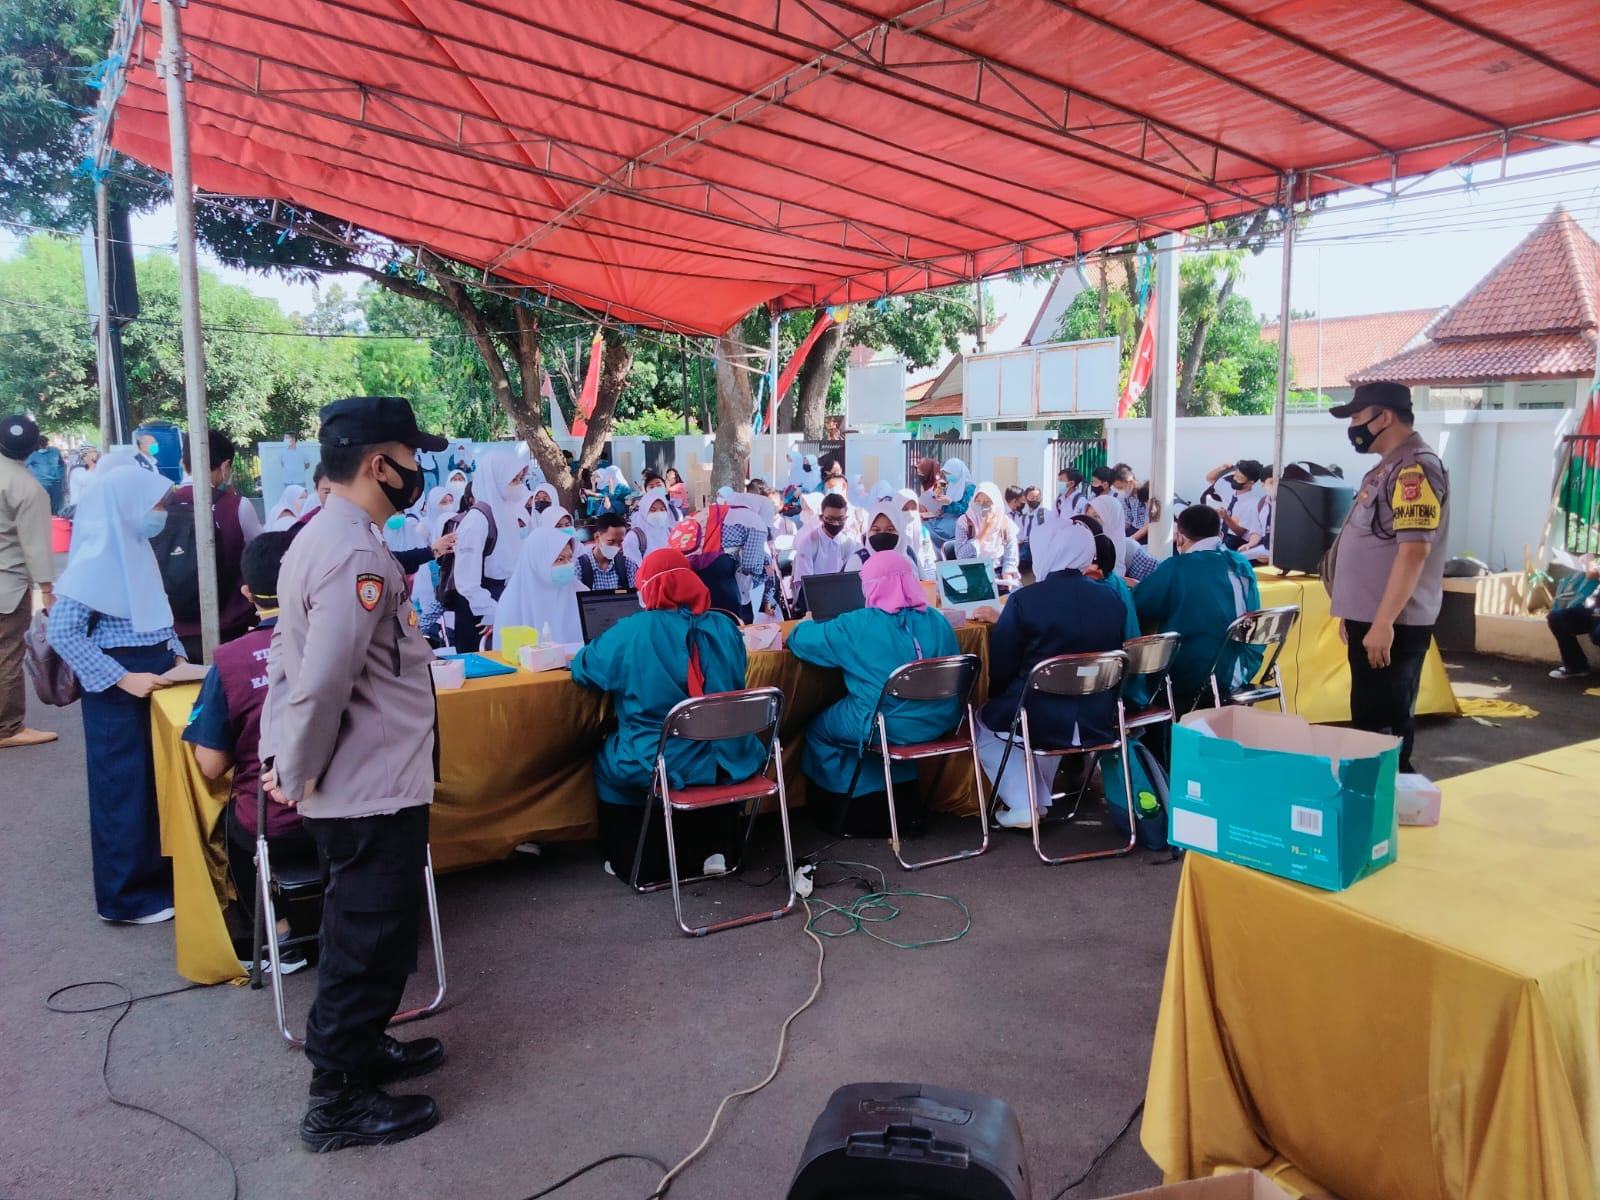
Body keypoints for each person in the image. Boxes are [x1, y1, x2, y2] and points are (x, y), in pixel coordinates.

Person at [258, 395, 447, 1153]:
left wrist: (283, 755)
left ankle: (363, 1049)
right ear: (378, 464)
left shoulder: (328, 535)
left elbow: (287, 658)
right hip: (367, 785)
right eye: (411, 458)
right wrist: (293, 767)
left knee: (379, 932)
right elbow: (323, 678)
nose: (418, 470)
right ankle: (335, 1100)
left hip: (372, 777)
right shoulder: (355, 553)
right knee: (364, 941)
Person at [570, 548, 763, 881]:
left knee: (610, 761)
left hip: (664, 761)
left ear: (648, 587)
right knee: (704, 760)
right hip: (733, 755)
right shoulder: (726, 625)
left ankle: (637, 858)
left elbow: (584, 669)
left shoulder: (632, 631)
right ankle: (715, 846)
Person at [47, 463, 185, 921]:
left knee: (150, 786)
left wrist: (177, 657)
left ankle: (155, 884)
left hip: (153, 677)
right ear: (126, 506)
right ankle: (124, 898)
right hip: (117, 688)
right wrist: (122, 678)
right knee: (121, 789)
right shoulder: (95, 561)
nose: (160, 511)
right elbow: (63, 632)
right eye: (154, 503)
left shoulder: (135, 550)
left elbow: (158, 616)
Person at [181, 531, 312, 973]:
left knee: (235, 824)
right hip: (350, 810)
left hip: (276, 820)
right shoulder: (340, 643)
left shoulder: (231, 661)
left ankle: (281, 937)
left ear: (247, 594)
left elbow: (211, 764)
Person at [974, 520, 1136, 828]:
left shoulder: (1025, 600)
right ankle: (1038, 801)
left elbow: (1003, 664)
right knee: (1030, 719)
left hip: (1039, 714)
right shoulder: (1111, 599)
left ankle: (1025, 803)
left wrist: (998, 697)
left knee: (985, 723)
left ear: (1043, 551)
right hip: (1097, 715)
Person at [788, 548, 960, 832]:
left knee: (819, 729)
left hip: (886, 724)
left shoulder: (856, 624)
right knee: (873, 722)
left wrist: (806, 622)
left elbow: (800, 641)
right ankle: (900, 800)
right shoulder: (937, 619)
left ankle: (844, 806)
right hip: (941, 720)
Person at [1328, 381, 1450, 773]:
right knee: (1369, 725)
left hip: (1393, 623)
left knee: (1384, 734)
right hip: (1373, 619)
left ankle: (1392, 800)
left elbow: (1414, 551)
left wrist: (1381, 623)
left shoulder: (1415, 469)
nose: (1353, 427)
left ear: (1384, 417)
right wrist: (1355, 613)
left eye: (1357, 417)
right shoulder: (1389, 468)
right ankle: (1374, 801)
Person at [1133, 505, 1262, 708]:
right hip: (1245, 667)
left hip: (1198, 674)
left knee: (1139, 672)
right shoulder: (1241, 563)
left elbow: (1137, 605)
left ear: (1180, 537)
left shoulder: (1178, 567)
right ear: (1219, 534)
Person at [166, 429, 261, 658]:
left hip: (173, 630)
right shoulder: (237, 506)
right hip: (229, 626)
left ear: (184, 463)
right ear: (225, 466)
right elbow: (259, 553)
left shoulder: (163, 506)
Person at [1, 414, 58, 749]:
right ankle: (7, 728)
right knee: (7, 655)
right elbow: (35, 545)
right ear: (34, 448)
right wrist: (47, 590)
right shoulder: (27, 487)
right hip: (7, 585)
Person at [443, 450, 525, 651]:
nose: (519, 485)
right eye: (513, 480)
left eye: (520, 479)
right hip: (479, 610)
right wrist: (490, 611)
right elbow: (466, 581)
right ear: (496, 480)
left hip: (501, 600)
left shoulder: (506, 511)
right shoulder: (477, 521)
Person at [493, 527, 585, 648]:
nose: (568, 565)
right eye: (560, 559)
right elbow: (505, 653)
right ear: (537, 562)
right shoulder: (512, 604)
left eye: (570, 558)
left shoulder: (578, 591)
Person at [792, 492, 860, 604]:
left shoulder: (848, 544)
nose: (835, 524)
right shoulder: (808, 543)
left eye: (840, 519)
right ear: (821, 518)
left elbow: (851, 579)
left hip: (839, 596)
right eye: (830, 519)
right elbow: (805, 585)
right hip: (812, 597)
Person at [952, 482, 1021, 586]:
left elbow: (1010, 557)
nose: (982, 506)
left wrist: (1007, 580)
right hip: (973, 576)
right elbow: (961, 558)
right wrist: (985, 530)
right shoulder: (965, 522)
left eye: (987, 502)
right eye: (978, 501)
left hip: (998, 574)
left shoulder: (1005, 523)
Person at [1546, 556, 1600, 679]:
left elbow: (1592, 573)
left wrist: (1589, 560)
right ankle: (1576, 667)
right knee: (1556, 618)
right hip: (1595, 613)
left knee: (1598, 633)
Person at [1217, 459, 1270, 563]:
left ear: (1250, 483)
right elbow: (1210, 478)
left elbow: (1241, 533)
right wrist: (1221, 468)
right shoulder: (1229, 490)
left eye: (1240, 478)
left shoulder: (1254, 504)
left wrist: (1226, 517)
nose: (1235, 479)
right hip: (1222, 535)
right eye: (1235, 475)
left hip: (1236, 540)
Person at [576, 512, 638, 591]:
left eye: (620, 542)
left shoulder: (628, 565)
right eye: (611, 541)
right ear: (597, 537)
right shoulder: (579, 567)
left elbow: (633, 595)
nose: (616, 547)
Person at [925, 458, 975, 552]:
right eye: (946, 474)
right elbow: (947, 503)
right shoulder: (951, 485)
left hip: (957, 520)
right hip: (945, 518)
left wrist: (950, 502)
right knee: (924, 526)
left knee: (933, 532)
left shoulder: (969, 488)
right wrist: (942, 510)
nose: (947, 477)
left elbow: (966, 510)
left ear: (957, 472)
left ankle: (937, 554)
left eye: (949, 474)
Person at [1086, 467, 1128, 577]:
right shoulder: (1092, 498)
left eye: (1095, 482)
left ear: (1105, 484)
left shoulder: (1118, 500)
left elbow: (1122, 522)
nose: (1092, 485)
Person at [627, 487, 675, 564]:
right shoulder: (634, 537)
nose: (658, 513)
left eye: (662, 509)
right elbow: (633, 568)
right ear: (644, 511)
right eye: (653, 510)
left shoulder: (670, 532)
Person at [27, 433, 66, 516]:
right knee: (43, 506)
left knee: (56, 506)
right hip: (42, 483)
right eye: (43, 446)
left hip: (56, 483)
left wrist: (61, 474)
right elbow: (25, 465)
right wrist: (33, 476)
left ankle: (55, 520)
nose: (45, 447)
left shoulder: (55, 451)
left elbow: (62, 463)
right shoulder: (32, 454)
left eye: (46, 445)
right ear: (38, 446)